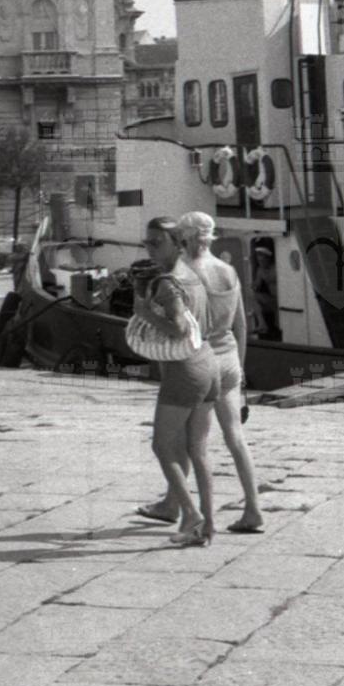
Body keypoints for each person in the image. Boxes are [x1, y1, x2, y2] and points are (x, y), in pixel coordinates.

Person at [135, 212, 265, 534]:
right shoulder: (228, 270)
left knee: (188, 441)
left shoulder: (184, 273)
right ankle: (253, 509)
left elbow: (180, 330)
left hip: (199, 359)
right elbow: (240, 324)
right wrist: (241, 371)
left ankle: (179, 508)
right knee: (235, 437)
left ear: (185, 238)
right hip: (229, 356)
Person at [132, 215, 217, 546]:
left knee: (162, 445)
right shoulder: (193, 275)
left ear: (179, 245)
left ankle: (191, 515)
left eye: (157, 242)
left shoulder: (167, 283)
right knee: (197, 450)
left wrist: (145, 314)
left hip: (184, 370)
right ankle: (207, 527)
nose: (150, 248)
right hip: (208, 363)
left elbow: (180, 328)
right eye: (147, 242)